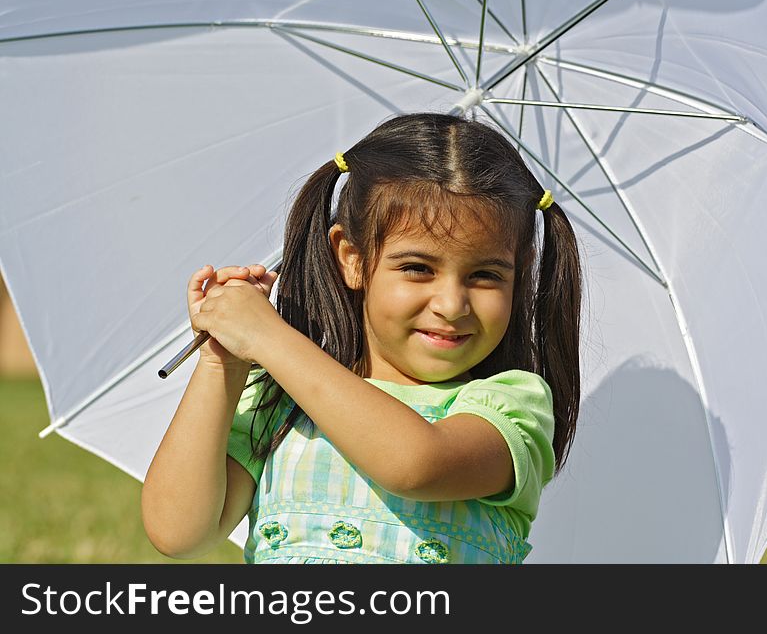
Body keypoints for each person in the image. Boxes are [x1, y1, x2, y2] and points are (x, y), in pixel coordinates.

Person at [142, 112, 583, 564]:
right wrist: (224, 361)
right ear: (352, 259)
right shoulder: (280, 403)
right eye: (417, 268)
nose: (452, 305)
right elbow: (179, 533)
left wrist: (268, 337)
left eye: (485, 275)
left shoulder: (511, 406)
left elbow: (415, 465)